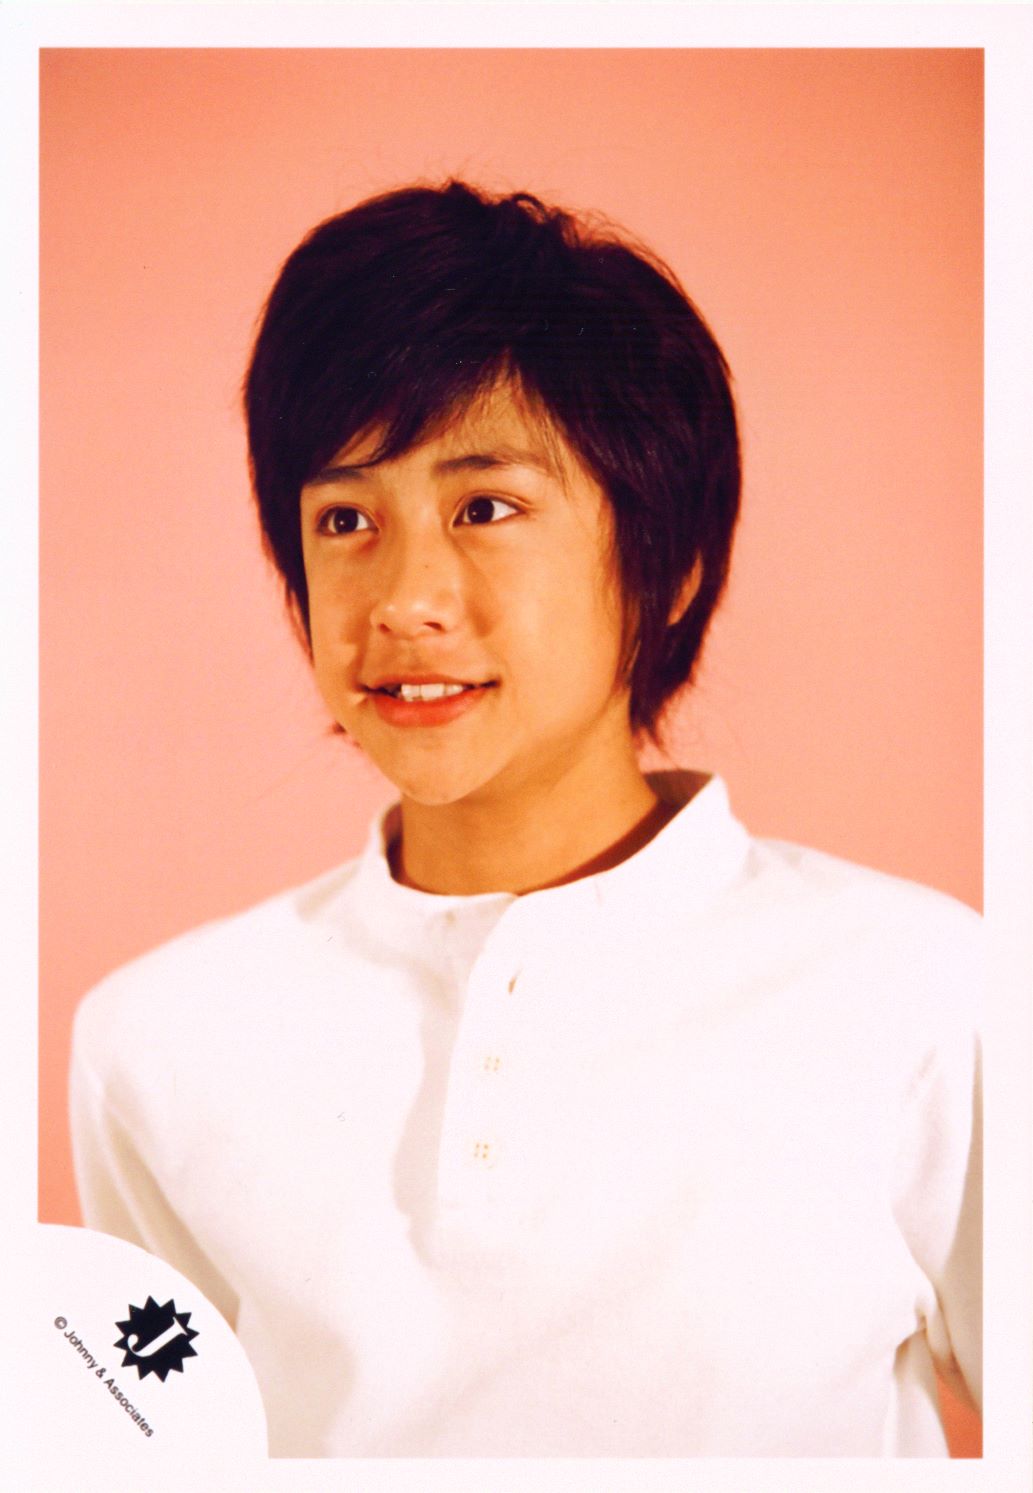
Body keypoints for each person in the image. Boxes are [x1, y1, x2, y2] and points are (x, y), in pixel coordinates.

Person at [70, 180, 981, 1458]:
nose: (404, 598)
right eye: (345, 519)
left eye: (484, 507)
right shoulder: (155, 1039)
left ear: (669, 561)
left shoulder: (924, 986)